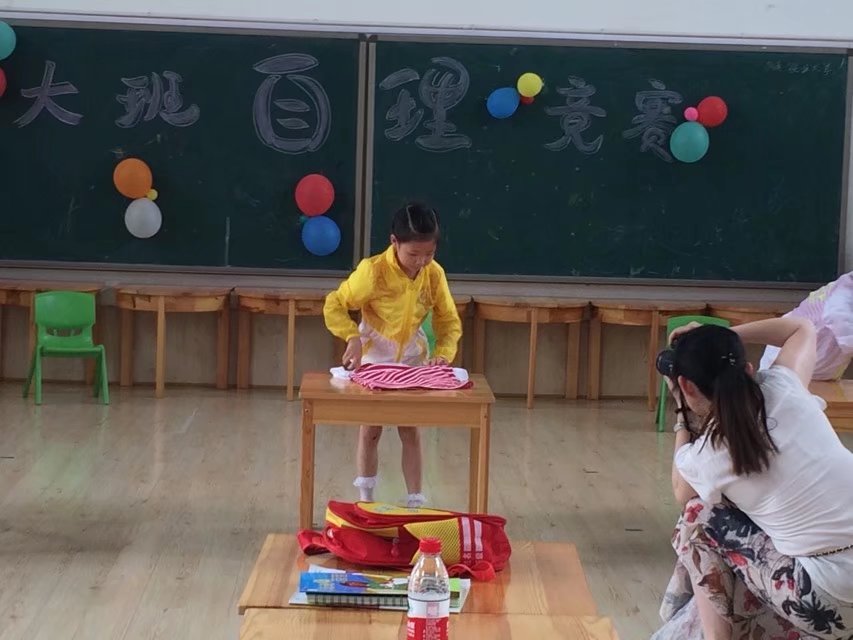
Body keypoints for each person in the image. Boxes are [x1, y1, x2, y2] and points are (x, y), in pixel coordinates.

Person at [654, 318, 853, 640]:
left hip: (831, 603)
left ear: (687, 386)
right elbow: (801, 328)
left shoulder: (708, 454)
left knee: (697, 514)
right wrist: (720, 340)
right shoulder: (785, 387)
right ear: (747, 369)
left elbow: (682, 492)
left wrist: (682, 413)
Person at [323, 202, 462, 508]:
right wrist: (352, 336)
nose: (420, 262)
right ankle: (366, 500)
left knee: (410, 428)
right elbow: (335, 303)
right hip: (374, 354)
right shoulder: (373, 272)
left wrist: (443, 354)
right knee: (371, 429)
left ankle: (414, 502)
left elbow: (448, 320)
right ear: (394, 242)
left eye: (429, 253)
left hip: (412, 355)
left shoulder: (434, 274)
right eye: (413, 254)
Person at [760, 271, 853, 381]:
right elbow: (841, 324)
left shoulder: (845, 285)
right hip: (788, 370)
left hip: (818, 371)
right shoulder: (840, 304)